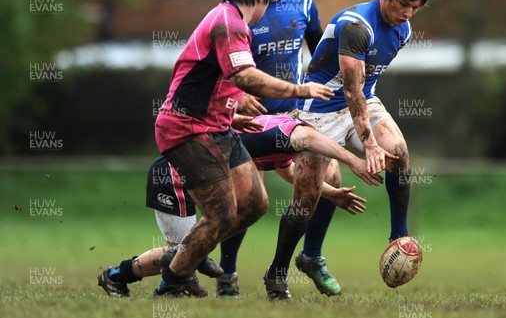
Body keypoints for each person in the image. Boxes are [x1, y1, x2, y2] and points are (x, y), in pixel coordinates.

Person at [151, 0, 334, 297]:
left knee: (255, 203)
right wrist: (299, 89)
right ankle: (172, 281)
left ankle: (188, 251)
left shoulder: (231, 20)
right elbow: (245, 78)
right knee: (222, 214)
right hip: (186, 129)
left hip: (217, 127)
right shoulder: (228, 23)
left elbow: (221, 82)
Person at [263, 0, 431, 299]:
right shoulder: (357, 26)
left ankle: (398, 237)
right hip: (321, 109)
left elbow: (363, 92)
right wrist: (368, 144)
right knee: (305, 201)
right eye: (403, 4)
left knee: (398, 152)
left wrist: (372, 137)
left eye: (415, 8)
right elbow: (350, 89)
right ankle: (277, 272)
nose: (408, 13)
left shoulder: (404, 30)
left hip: (361, 102)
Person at [97, 114, 378, 298]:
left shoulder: (282, 145)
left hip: (193, 176)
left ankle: (127, 278)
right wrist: (354, 159)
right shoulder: (294, 130)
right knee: (182, 251)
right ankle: (118, 275)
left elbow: (292, 174)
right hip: (174, 175)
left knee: (185, 250)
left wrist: (331, 195)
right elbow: (311, 139)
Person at [219, 0, 344, 298]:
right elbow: (222, 67)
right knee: (248, 201)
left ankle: (310, 256)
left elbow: (322, 52)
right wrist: (239, 95)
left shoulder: (303, 2)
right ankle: (227, 273)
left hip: (293, 115)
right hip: (252, 120)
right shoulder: (236, 12)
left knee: (328, 179)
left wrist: (338, 85)